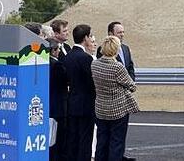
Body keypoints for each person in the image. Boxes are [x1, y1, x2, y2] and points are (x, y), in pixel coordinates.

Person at [91, 36, 139, 161]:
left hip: (101, 108)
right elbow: (132, 86)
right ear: (115, 50)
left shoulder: (94, 64)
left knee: (102, 140)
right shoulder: (117, 67)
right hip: (118, 109)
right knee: (116, 142)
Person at [64, 24, 96, 161]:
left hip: (71, 101)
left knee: (73, 138)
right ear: (85, 38)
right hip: (86, 104)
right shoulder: (86, 58)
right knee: (85, 139)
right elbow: (92, 82)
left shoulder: (67, 56)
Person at [48, 38, 68, 161]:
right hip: (58, 106)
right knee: (58, 139)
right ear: (54, 51)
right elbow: (66, 81)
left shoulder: (42, 64)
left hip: (47, 104)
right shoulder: (57, 65)